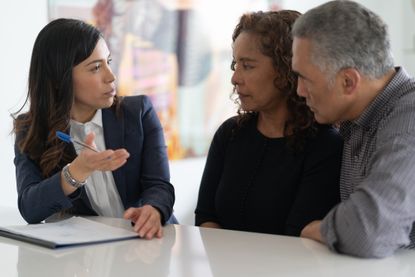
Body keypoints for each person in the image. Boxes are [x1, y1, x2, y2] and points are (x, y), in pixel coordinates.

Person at [13, 18, 176, 239]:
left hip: (145, 242)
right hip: (86, 256)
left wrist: (154, 209)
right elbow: (30, 209)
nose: (111, 76)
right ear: (60, 78)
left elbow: (159, 186)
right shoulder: (31, 129)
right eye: (96, 67)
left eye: (108, 61)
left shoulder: (138, 112)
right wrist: (76, 172)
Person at [194, 10, 343, 236]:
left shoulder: (325, 146)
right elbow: (206, 216)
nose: (235, 78)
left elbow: (297, 235)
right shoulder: (230, 133)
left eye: (248, 66)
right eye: (236, 64)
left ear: (287, 70)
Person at [292, 0, 415, 258]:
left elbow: (368, 232)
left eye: (305, 78)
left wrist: (319, 228)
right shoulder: (356, 116)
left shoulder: (408, 121)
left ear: (348, 82)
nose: (299, 91)